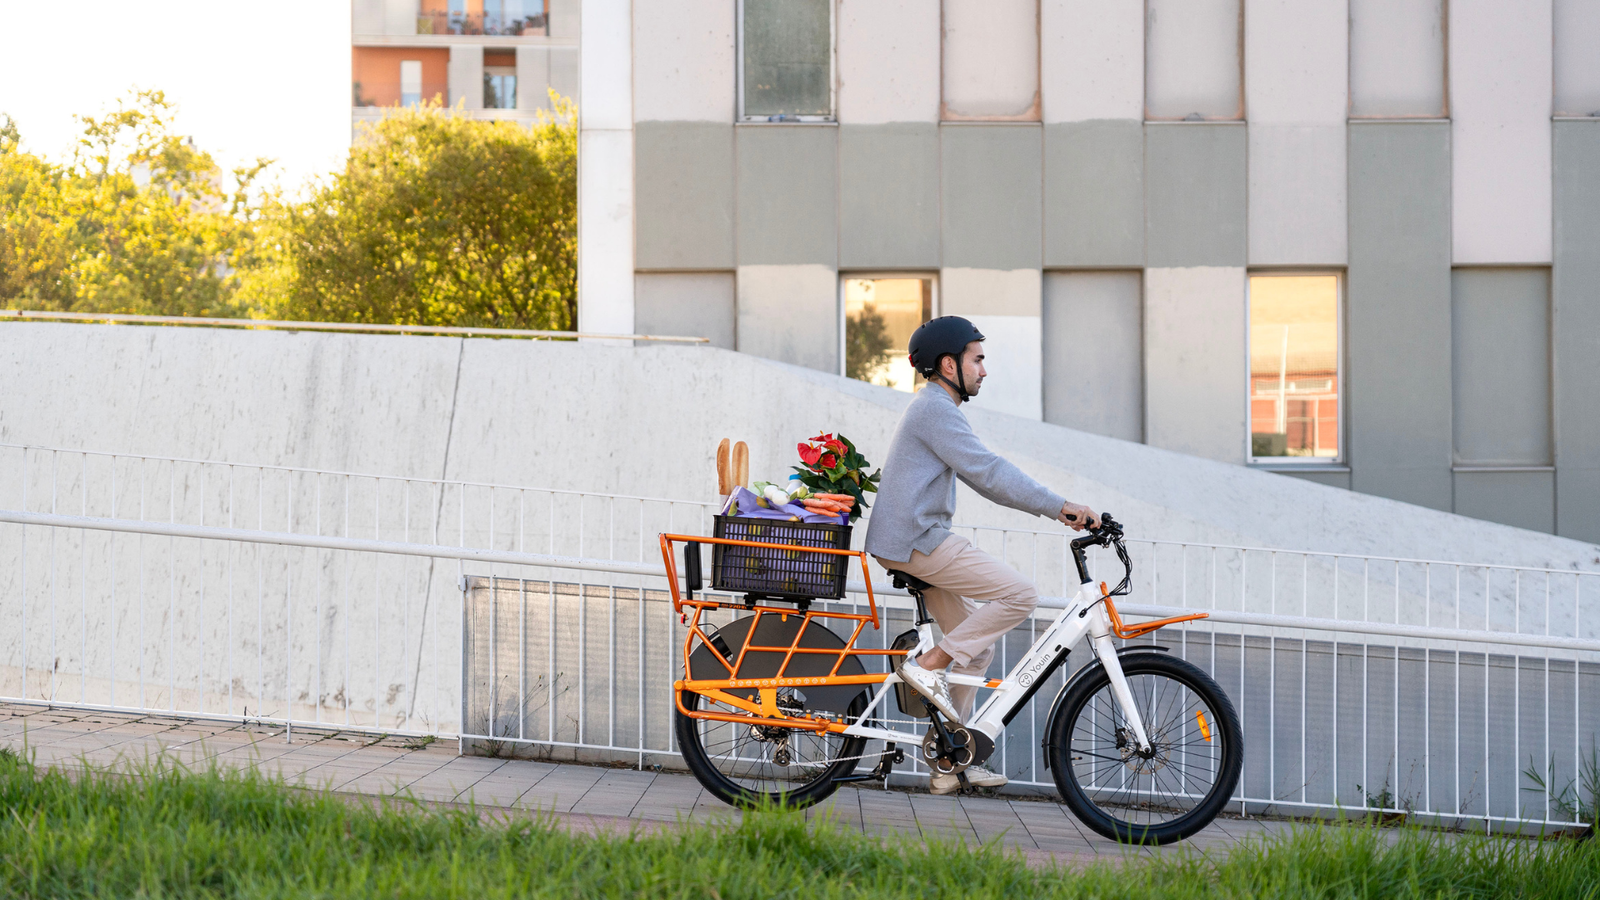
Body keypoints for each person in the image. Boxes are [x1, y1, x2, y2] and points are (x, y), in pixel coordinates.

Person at [863, 316, 1101, 794]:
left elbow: (984, 471)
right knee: (1019, 595)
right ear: (948, 364)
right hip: (916, 540)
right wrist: (1061, 507)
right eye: (978, 359)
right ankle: (926, 667)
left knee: (977, 645)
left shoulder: (936, 407)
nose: (984, 370)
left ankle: (950, 758)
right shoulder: (933, 409)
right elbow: (988, 473)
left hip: (912, 540)